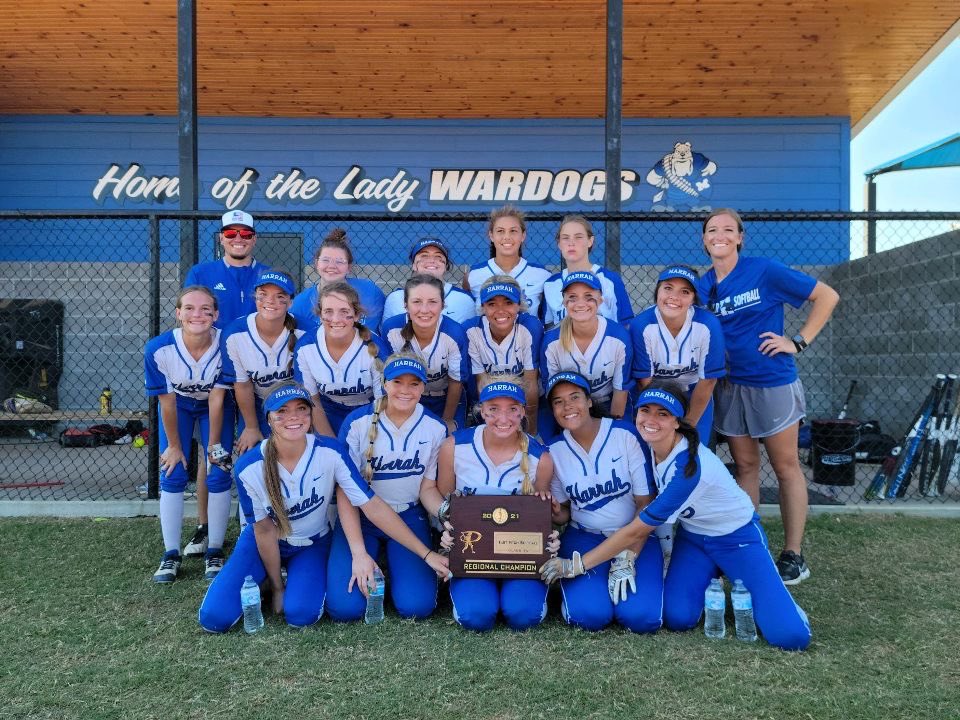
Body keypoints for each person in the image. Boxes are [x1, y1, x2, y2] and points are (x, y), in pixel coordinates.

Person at [540, 383, 812, 651]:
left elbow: (638, 529)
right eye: (645, 410)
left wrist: (578, 565)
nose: (651, 420)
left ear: (677, 422)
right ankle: (714, 577)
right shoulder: (645, 444)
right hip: (694, 539)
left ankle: (776, 597)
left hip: (735, 537)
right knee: (678, 617)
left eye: (663, 414)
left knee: (790, 636)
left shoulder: (689, 467)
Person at [198, 382, 449, 633]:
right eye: (282, 412)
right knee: (213, 618)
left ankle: (281, 580)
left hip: (312, 543)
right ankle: (268, 579)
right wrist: (277, 588)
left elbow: (371, 505)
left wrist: (426, 554)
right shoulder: (249, 467)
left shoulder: (330, 452)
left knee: (301, 615)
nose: (293, 418)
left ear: (310, 414)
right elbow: (263, 531)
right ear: (269, 419)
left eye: (301, 409)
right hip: (263, 543)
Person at [697, 208, 839, 585]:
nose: (720, 235)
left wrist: (798, 341)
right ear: (704, 239)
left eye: (729, 229)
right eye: (713, 230)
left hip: (771, 382)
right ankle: (751, 542)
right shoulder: (704, 284)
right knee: (745, 466)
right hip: (729, 385)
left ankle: (793, 554)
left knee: (786, 466)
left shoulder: (765, 270)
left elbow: (826, 296)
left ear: (740, 237)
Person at [327, 355, 448, 621]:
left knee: (416, 607)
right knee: (345, 609)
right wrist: (358, 554)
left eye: (414, 384)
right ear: (384, 383)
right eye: (397, 382)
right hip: (360, 518)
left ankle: (397, 567)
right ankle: (371, 558)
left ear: (423, 388)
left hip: (408, 514)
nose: (405, 390)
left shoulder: (435, 427)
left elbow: (427, 489)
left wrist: (448, 518)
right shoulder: (357, 423)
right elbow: (345, 492)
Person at [544, 371, 663, 633]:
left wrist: (629, 554)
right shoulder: (553, 451)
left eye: (574, 397)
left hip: (633, 534)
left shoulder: (625, 434)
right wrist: (555, 512)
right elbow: (565, 514)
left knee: (641, 618)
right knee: (589, 617)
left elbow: (646, 502)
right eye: (558, 401)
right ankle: (581, 598)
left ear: (589, 401)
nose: (567, 407)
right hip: (584, 536)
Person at [181, 210, 269, 558]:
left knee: (261, 447)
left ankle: (260, 519)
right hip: (216, 376)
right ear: (221, 237)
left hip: (256, 378)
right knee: (212, 449)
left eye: (245, 234)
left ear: (254, 239)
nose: (238, 239)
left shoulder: (266, 275)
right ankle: (205, 527)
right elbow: (193, 315)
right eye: (231, 233)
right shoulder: (202, 272)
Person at [437, 380, 555, 632]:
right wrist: (446, 528)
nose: (503, 417)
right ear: (481, 410)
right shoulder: (455, 446)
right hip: (473, 555)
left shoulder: (540, 458)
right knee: (476, 617)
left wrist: (550, 537)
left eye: (512, 408)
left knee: (524, 615)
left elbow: (541, 516)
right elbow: (445, 500)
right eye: (493, 408)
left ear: (524, 411)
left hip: (519, 557)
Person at [143, 286, 234, 583]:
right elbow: (166, 402)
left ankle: (215, 551)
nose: (198, 314)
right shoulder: (158, 349)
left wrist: (214, 445)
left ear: (216, 315)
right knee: (173, 472)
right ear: (178, 313)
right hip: (178, 405)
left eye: (206, 309)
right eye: (190, 308)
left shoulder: (227, 345)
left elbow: (217, 399)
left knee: (218, 470)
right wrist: (173, 446)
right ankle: (170, 554)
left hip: (214, 406)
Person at [209, 271, 304, 464]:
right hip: (258, 404)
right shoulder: (235, 334)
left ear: (290, 302)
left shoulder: (304, 330)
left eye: (280, 296)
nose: (271, 301)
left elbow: (308, 385)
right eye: (263, 294)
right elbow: (242, 385)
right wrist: (251, 427)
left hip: (296, 405)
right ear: (255, 297)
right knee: (252, 458)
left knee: (295, 457)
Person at [630, 265, 725, 442]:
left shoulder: (708, 325)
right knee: (652, 449)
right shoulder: (642, 325)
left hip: (694, 394)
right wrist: (661, 416)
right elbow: (645, 382)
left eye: (685, 292)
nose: (674, 297)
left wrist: (686, 425)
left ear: (693, 299)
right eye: (668, 288)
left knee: (692, 452)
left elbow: (708, 380)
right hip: (654, 396)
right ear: (657, 291)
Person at [540, 271, 633, 436]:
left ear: (600, 300)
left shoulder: (618, 337)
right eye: (573, 297)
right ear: (564, 302)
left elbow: (620, 392)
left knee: (620, 438)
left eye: (588, 296)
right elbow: (553, 394)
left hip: (608, 401)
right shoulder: (552, 342)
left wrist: (612, 434)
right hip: (568, 407)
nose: (580, 303)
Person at [293, 281, 389, 438]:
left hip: (368, 413)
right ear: (319, 314)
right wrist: (332, 443)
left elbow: (383, 402)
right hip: (327, 414)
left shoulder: (374, 347)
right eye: (328, 311)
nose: (336, 319)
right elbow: (313, 401)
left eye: (344, 311)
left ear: (357, 315)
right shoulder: (306, 347)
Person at [381, 274, 470, 432]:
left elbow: (456, 382)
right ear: (406, 305)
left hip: (445, 398)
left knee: (446, 438)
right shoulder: (392, 329)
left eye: (432, 302)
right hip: (406, 396)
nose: (424, 310)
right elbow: (390, 377)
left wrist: (447, 420)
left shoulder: (454, 334)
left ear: (443, 305)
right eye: (416, 302)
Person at [463, 275, 542, 433]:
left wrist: (530, 432)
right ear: (483, 307)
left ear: (519, 305)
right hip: (490, 400)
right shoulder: (471, 330)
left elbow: (530, 383)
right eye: (492, 304)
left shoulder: (530, 327)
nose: (500, 311)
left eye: (508, 303)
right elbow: (481, 382)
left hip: (524, 401)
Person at [541, 215, 634, 328]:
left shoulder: (609, 280)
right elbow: (547, 327)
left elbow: (626, 325)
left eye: (578, 237)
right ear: (559, 244)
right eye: (565, 238)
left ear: (590, 241)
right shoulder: (550, 284)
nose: (571, 243)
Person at [290, 227, 386, 332]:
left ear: (349, 267)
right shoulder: (300, 304)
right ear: (317, 264)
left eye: (340, 261)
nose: (332, 266)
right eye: (325, 260)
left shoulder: (371, 292)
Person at [464, 205, 552, 318]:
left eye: (513, 231)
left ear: (523, 235)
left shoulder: (542, 275)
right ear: (491, 235)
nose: (507, 237)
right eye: (500, 231)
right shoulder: (473, 276)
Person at [381, 237, 476, 327]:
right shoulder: (396, 298)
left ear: (446, 266)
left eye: (438, 256)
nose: (431, 260)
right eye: (424, 256)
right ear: (414, 265)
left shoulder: (464, 299)